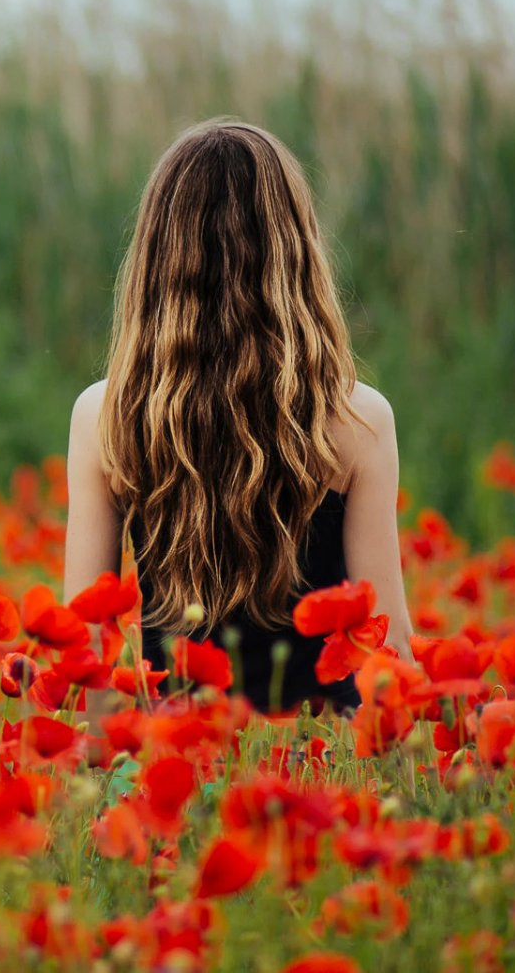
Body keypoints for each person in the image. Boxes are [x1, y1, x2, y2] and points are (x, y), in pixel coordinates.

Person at [63, 118, 414, 714]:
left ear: (157, 253)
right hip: (316, 771)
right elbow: (388, 649)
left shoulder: (108, 414)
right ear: (294, 251)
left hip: (176, 760)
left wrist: (116, 782)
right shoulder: (359, 420)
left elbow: (84, 650)